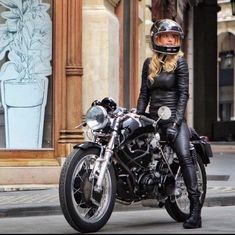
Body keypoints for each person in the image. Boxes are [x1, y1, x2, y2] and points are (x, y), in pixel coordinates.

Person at [136, 19, 202, 229]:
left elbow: (184, 94)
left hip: (173, 117)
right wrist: (138, 117)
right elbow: (143, 94)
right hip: (152, 118)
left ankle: (195, 210)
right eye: (167, 36)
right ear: (157, 38)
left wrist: (176, 122)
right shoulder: (149, 63)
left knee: (184, 155)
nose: (171, 40)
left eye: (174, 37)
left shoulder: (180, 63)